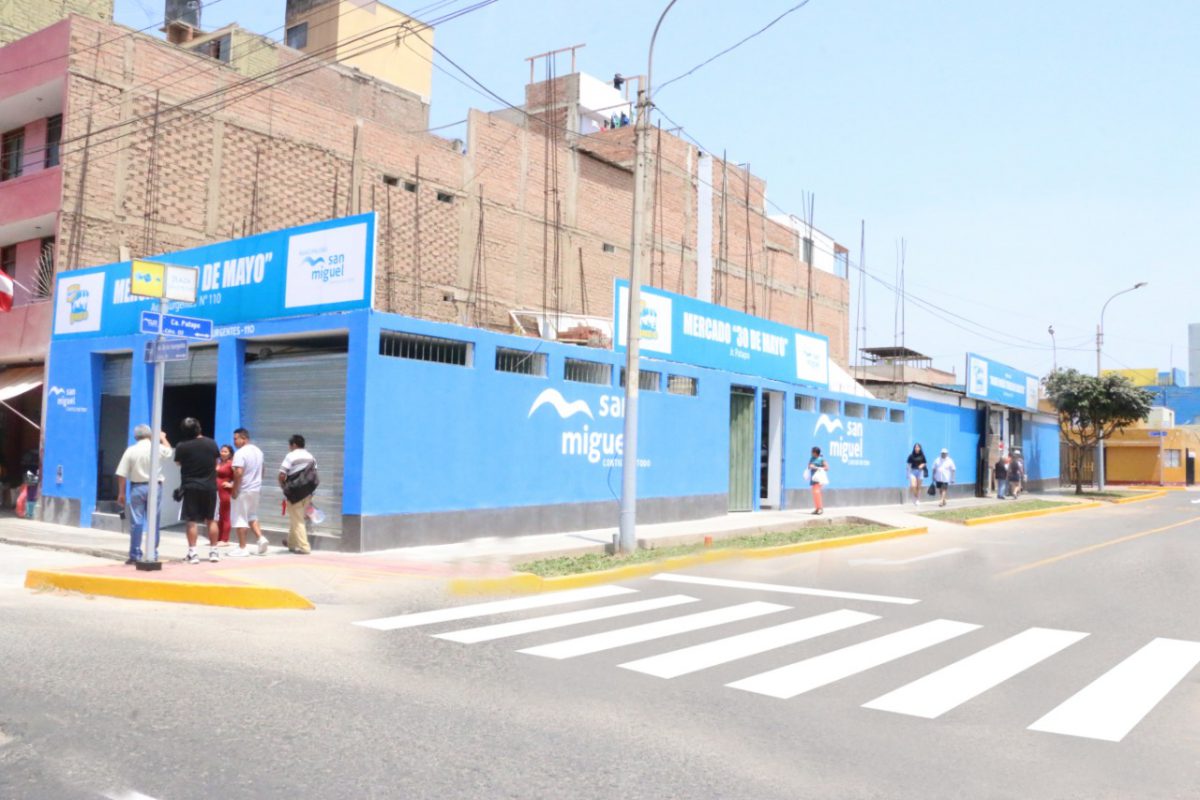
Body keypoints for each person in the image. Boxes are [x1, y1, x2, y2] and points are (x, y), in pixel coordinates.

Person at [114, 425, 173, 564]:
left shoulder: (131, 450)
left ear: (136, 436)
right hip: (155, 487)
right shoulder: (157, 448)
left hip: (137, 487)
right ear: (150, 435)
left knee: (137, 522)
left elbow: (121, 473)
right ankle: (152, 553)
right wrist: (163, 438)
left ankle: (135, 554)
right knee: (154, 521)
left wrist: (121, 493)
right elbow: (169, 452)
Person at [174, 417, 221, 564]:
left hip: (190, 487)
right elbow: (216, 462)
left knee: (191, 521)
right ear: (199, 428)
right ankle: (214, 551)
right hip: (210, 487)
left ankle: (193, 553)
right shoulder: (211, 443)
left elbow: (178, 463)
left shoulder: (182, 446)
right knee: (211, 520)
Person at [227, 427, 270, 557]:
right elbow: (263, 469)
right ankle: (261, 538)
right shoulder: (258, 451)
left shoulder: (240, 453)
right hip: (255, 489)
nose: (234, 441)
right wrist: (257, 482)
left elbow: (238, 472)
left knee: (240, 518)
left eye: (236, 439)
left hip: (243, 489)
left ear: (244, 438)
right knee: (252, 515)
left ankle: (242, 548)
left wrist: (235, 489)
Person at [278, 434, 317, 554]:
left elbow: (282, 474)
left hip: (295, 493)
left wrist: (284, 487)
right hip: (308, 493)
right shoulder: (311, 457)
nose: (289, 448)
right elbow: (314, 476)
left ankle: (304, 547)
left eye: (290, 445)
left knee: (298, 520)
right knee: (296, 518)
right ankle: (291, 543)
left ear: (294, 445)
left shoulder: (291, 456)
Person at [215, 444, 234, 546]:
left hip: (225, 492)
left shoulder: (232, 464)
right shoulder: (219, 462)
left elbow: (239, 476)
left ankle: (225, 539)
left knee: (225, 515)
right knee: (218, 515)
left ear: (230, 453)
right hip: (216, 492)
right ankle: (218, 538)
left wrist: (231, 484)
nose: (223, 453)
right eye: (221, 451)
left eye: (225, 451)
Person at [808, 446, 829, 515]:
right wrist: (811, 466)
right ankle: (817, 508)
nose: (811, 453)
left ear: (815, 453)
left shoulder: (821, 459)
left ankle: (820, 508)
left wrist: (818, 468)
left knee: (817, 492)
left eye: (812, 452)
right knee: (815, 494)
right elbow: (809, 466)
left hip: (819, 479)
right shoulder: (812, 458)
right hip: (813, 478)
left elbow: (827, 468)